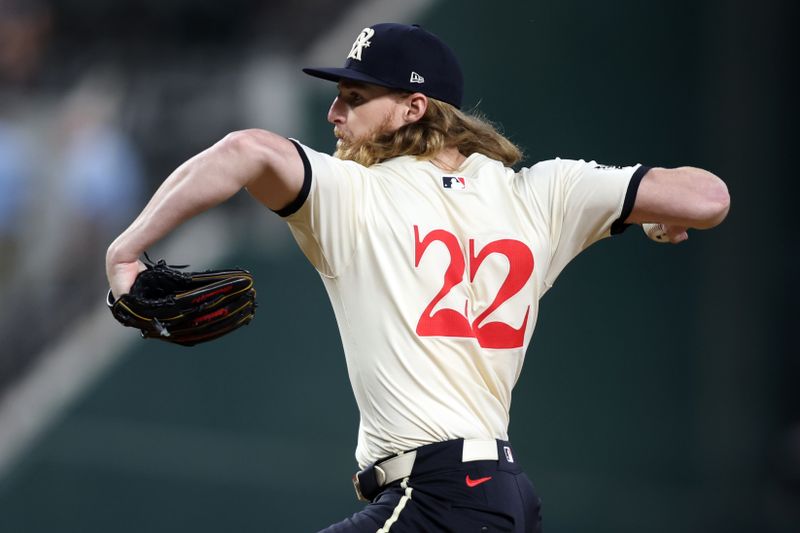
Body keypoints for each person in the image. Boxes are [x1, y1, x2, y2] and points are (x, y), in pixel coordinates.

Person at [105, 23, 730, 533]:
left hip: (437, 500)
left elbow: (244, 150)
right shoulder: (544, 192)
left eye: (355, 97)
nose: (333, 113)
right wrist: (654, 216)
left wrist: (126, 251)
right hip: (504, 496)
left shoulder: (354, 194)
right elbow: (708, 198)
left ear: (414, 107)